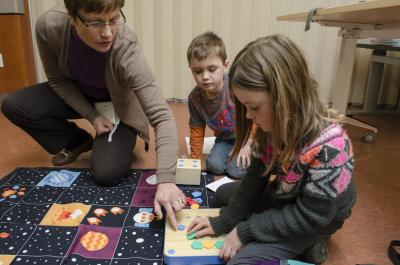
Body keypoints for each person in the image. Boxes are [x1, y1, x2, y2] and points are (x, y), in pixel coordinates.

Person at [1, 0, 185, 228]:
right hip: (78, 94)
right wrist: (92, 116)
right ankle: (77, 140)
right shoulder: (49, 26)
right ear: (72, 17)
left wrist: (166, 179)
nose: (107, 33)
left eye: (114, 20)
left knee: (106, 173)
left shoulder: (126, 47)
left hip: (117, 105)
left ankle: (121, 136)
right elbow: (57, 80)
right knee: (14, 104)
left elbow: (161, 115)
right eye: (96, 23)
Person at [186, 34, 356, 264]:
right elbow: (254, 179)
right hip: (288, 195)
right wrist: (227, 221)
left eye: (253, 106)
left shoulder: (331, 148)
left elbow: (310, 215)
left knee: (242, 261)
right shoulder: (269, 127)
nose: (247, 116)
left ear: (285, 97)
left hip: (318, 216)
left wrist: (246, 230)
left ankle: (317, 240)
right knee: (225, 196)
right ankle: (288, 237)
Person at [186, 31, 253, 179]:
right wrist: (194, 160)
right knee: (214, 166)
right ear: (191, 69)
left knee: (236, 171)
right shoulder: (194, 98)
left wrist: (248, 144)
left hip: (250, 136)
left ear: (225, 66)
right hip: (225, 139)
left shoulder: (236, 87)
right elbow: (197, 130)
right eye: (197, 71)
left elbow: (256, 118)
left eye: (211, 69)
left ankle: (265, 159)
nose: (205, 77)